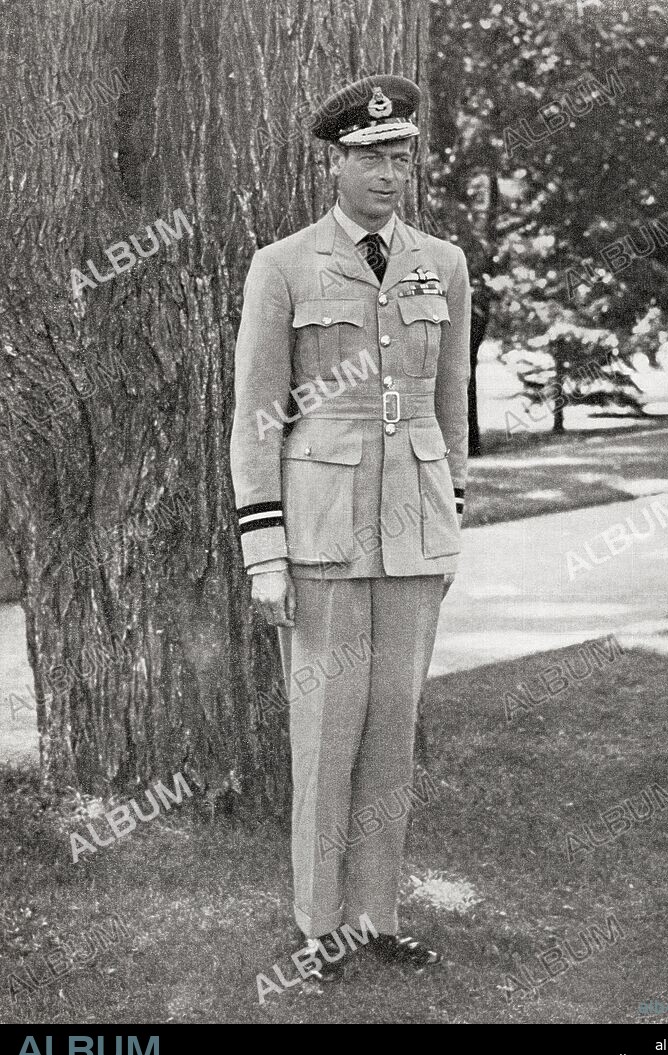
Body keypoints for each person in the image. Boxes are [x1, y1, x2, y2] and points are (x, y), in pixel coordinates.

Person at [230, 74, 471, 983]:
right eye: (370, 156)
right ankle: (316, 925)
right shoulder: (283, 265)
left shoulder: (440, 263)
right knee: (325, 735)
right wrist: (265, 551)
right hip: (321, 533)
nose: (387, 173)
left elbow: (450, 405)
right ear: (334, 162)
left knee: (391, 733)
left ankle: (377, 915)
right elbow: (257, 418)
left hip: (413, 532)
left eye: (400, 157)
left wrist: (453, 518)